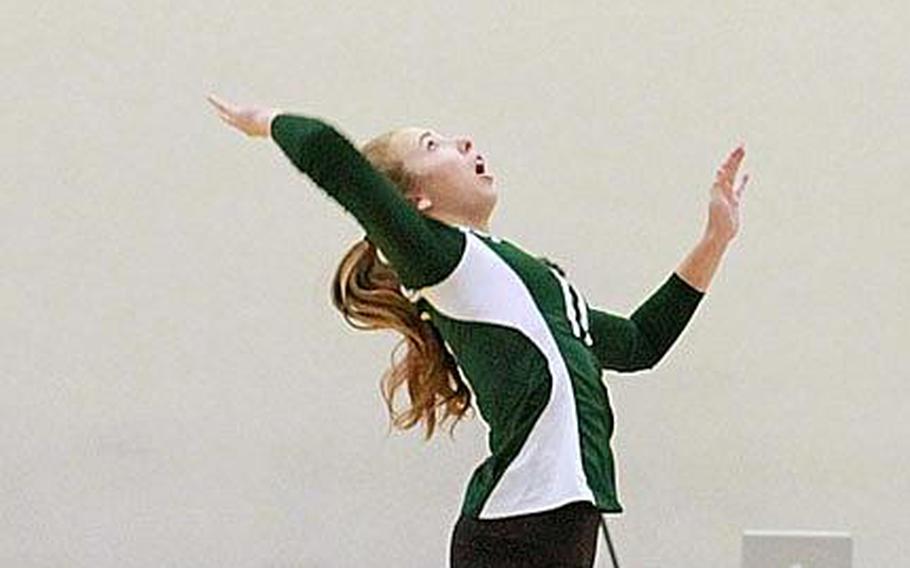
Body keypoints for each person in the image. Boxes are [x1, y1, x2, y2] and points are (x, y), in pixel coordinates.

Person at [206, 93, 749, 567]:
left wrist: (715, 238)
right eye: (433, 145)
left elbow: (638, 343)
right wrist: (266, 120)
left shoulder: (538, 278)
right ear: (415, 202)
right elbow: (334, 157)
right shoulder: (442, 260)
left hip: (565, 523)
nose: (464, 142)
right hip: (516, 532)